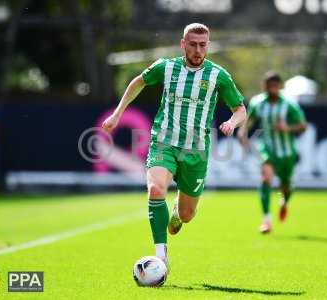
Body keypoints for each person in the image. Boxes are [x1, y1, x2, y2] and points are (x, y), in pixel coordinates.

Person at [102, 23, 246, 266]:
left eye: (203, 45)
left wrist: (232, 122)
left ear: (207, 46)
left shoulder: (218, 75)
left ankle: (178, 213)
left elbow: (241, 109)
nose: (198, 50)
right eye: (193, 44)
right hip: (163, 143)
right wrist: (117, 114)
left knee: (188, 215)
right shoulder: (166, 68)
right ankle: (161, 257)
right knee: (156, 190)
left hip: (196, 151)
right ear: (183, 44)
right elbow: (138, 82)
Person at [237, 71, 306, 234]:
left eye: (275, 86)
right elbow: (249, 120)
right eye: (269, 86)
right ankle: (266, 220)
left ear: (280, 87)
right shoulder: (258, 102)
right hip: (267, 148)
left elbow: (303, 126)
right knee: (266, 177)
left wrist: (287, 128)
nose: (272, 89)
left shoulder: (289, 104)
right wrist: (242, 132)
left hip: (287, 152)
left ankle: (284, 202)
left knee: (286, 186)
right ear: (265, 87)